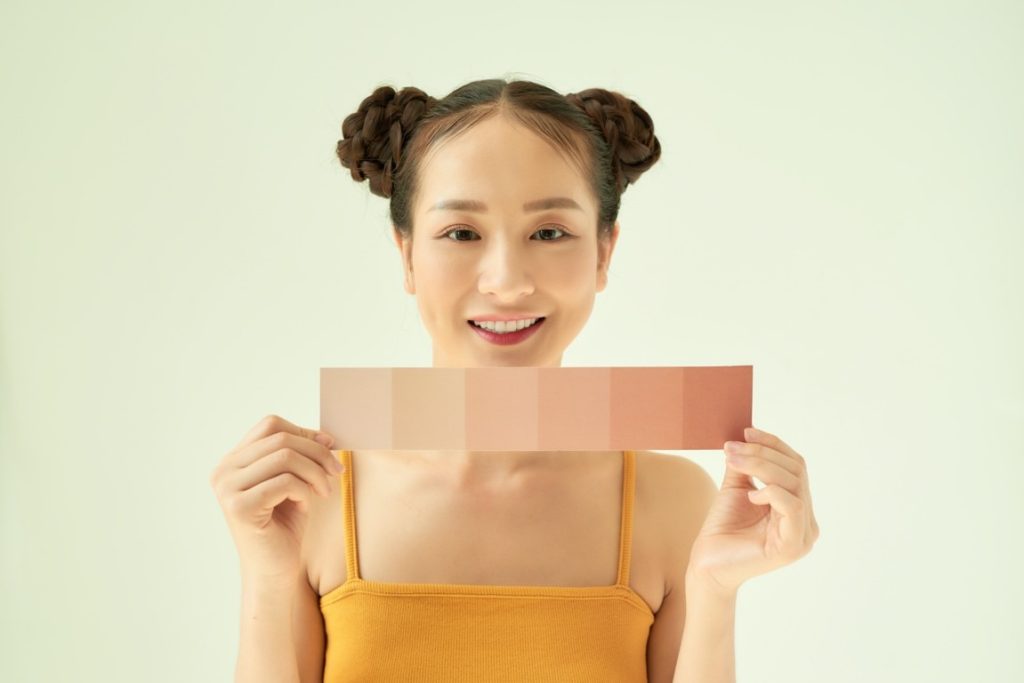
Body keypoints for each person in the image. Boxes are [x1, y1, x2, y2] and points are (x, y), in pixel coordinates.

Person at [210, 77, 819, 683]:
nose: (507, 281)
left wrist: (713, 589)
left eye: (549, 233)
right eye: (461, 233)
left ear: (604, 253)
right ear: (406, 255)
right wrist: (264, 575)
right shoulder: (311, 497)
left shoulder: (675, 503)